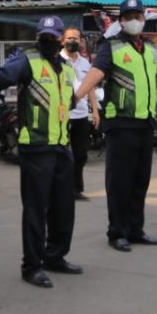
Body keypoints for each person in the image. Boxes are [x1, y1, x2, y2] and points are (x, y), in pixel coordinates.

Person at [0, 16, 82, 289]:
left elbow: (67, 101)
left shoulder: (66, 68)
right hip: (36, 148)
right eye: (45, 37)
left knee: (64, 209)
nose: (50, 41)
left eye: (55, 37)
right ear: (38, 37)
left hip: (62, 146)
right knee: (35, 211)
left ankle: (55, 256)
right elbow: (4, 75)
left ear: (62, 38)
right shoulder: (27, 60)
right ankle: (32, 265)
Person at [73, 0, 157, 253]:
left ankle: (136, 229)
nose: (134, 20)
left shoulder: (150, 48)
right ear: (121, 21)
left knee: (140, 180)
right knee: (119, 182)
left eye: (138, 15)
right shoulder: (110, 47)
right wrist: (78, 95)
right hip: (121, 124)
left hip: (145, 124)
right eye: (129, 16)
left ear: (144, 19)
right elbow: (96, 73)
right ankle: (117, 232)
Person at [61, 27, 99, 201]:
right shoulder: (57, 60)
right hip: (62, 116)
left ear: (81, 41)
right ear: (62, 41)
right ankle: (61, 188)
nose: (73, 41)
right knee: (62, 154)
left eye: (76, 38)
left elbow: (91, 87)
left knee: (81, 154)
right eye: (69, 38)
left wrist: (95, 110)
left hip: (81, 115)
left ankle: (76, 189)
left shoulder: (85, 63)